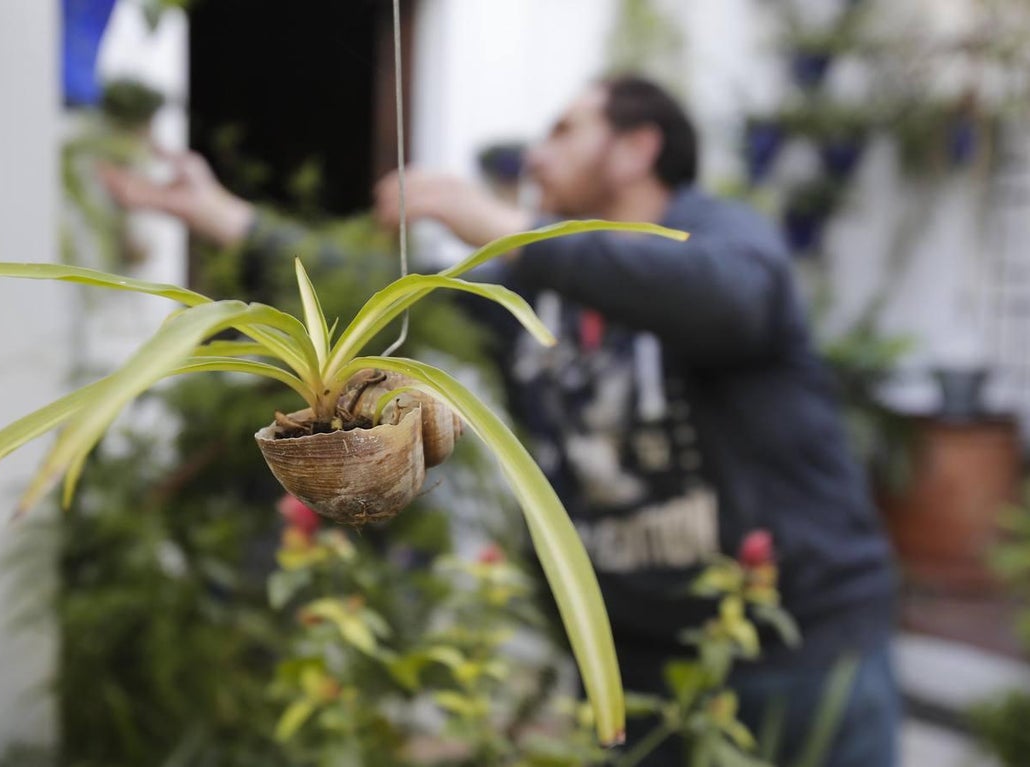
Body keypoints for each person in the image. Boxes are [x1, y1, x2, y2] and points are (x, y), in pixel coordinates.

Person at [99, 74, 899, 767]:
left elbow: (726, 303)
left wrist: (496, 223)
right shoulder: (529, 294)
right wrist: (222, 215)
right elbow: (387, 288)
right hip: (637, 667)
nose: (538, 157)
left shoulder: (724, 237)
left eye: (565, 131)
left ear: (636, 148)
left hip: (796, 648)